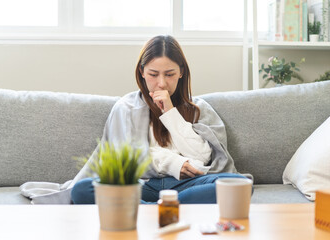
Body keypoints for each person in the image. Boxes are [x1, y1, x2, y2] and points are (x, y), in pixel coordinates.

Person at [71, 35, 248, 204]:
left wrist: (170, 113)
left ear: (181, 72)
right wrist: (173, 163)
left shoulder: (198, 108)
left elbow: (202, 157)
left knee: (240, 185)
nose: (161, 83)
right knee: (82, 189)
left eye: (169, 74)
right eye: (153, 74)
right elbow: (125, 158)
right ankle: (167, 208)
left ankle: (151, 207)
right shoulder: (126, 107)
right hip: (141, 184)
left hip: (183, 186)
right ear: (141, 72)